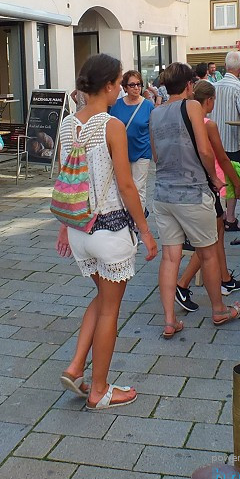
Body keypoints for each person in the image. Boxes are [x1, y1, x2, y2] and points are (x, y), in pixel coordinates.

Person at [55, 54, 157, 410]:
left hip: (80, 229)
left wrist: (63, 228)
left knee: (101, 299)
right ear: (111, 85)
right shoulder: (111, 125)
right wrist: (145, 231)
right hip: (110, 228)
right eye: (118, 83)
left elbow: (66, 178)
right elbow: (127, 186)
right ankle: (98, 389)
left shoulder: (68, 125)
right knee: (111, 309)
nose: (120, 89)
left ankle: (75, 366)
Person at [150, 63, 240, 338]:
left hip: (163, 193)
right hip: (192, 192)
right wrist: (214, 178)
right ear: (190, 85)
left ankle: (169, 321)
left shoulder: (155, 113)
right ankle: (219, 309)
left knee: (170, 258)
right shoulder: (190, 106)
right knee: (208, 252)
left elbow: (156, 156)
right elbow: (204, 150)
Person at [174, 78, 240, 313]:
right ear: (210, 100)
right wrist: (237, 183)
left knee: (218, 235)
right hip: (209, 186)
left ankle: (225, 278)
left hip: (187, 185)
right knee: (210, 240)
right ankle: (182, 284)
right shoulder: (207, 124)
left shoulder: (183, 121)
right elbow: (222, 158)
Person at [212, 51, 240, 232]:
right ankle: (230, 217)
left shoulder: (215, 86)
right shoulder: (239, 88)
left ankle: (217, 215)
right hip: (234, 141)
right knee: (233, 179)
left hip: (215, 142)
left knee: (216, 180)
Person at [109, 70, 155, 208]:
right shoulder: (115, 106)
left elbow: (152, 131)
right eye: (132, 85)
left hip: (142, 151)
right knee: (122, 187)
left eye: (139, 84)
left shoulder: (148, 106)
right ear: (125, 87)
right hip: (120, 152)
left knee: (138, 188)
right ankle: (125, 218)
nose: (136, 88)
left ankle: (136, 222)